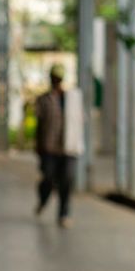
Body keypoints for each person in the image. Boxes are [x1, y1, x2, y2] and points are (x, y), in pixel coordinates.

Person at [33, 64, 81, 228]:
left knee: (66, 179)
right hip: (49, 147)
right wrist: (38, 146)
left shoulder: (72, 99)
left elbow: (80, 121)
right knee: (48, 177)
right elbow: (39, 124)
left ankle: (64, 213)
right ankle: (43, 199)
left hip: (68, 147)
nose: (56, 81)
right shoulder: (43, 99)